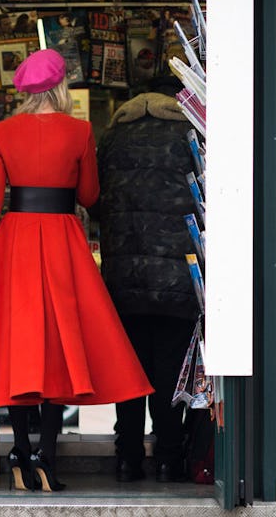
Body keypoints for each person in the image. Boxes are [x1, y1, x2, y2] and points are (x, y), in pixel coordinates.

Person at [0, 49, 153, 493]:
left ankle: (19, 451)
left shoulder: (3, 131)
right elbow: (91, 194)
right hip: (62, 242)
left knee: (20, 348)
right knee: (60, 349)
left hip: (13, 242)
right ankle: (46, 457)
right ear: (61, 88)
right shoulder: (79, 131)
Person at [95, 78, 202, 483]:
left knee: (127, 370)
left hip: (123, 277)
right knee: (168, 371)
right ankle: (169, 458)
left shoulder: (112, 138)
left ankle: (127, 458)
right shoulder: (187, 133)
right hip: (177, 274)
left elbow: (94, 198)